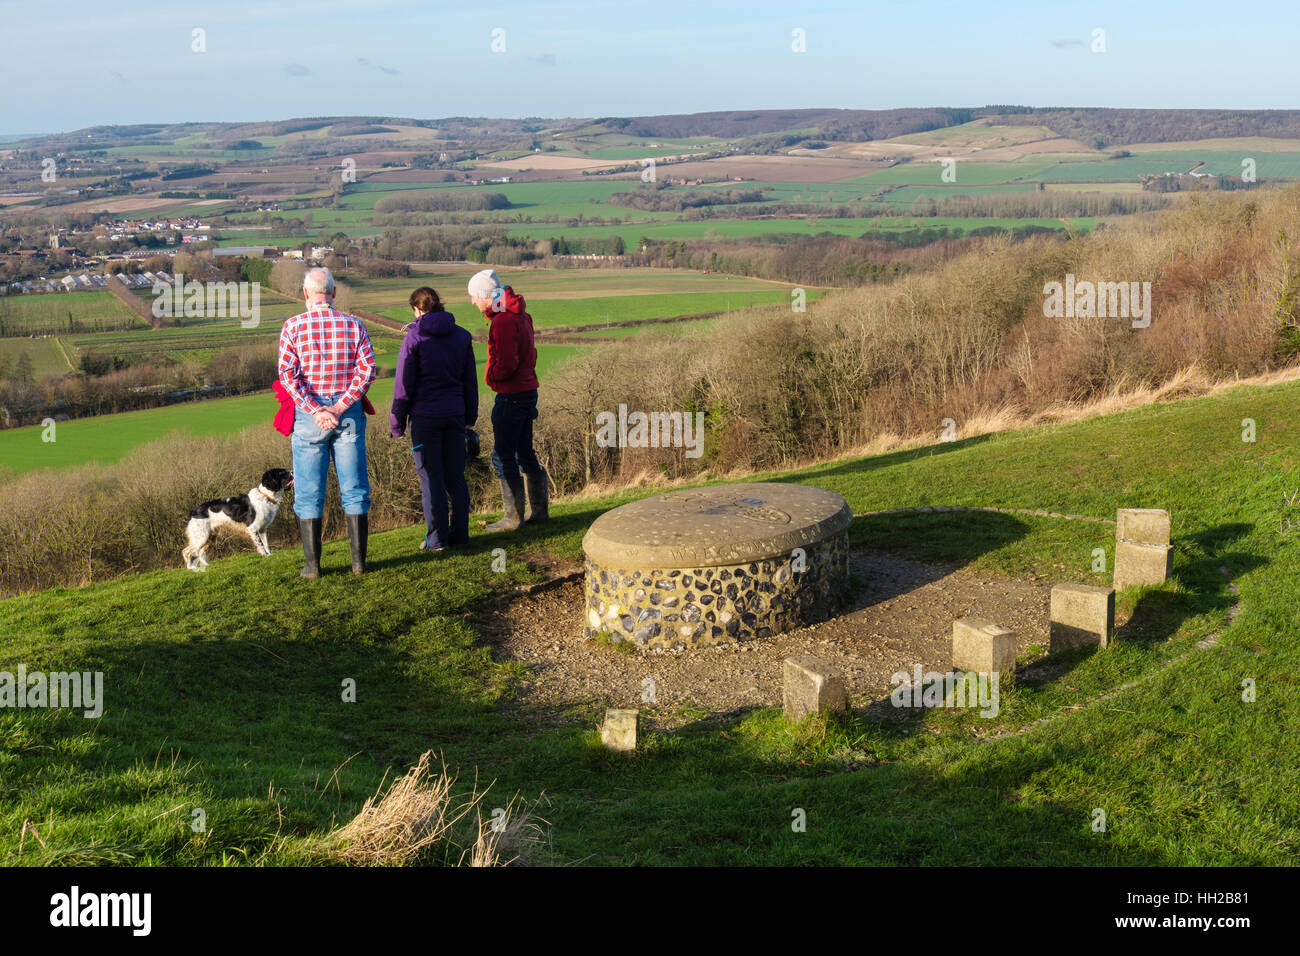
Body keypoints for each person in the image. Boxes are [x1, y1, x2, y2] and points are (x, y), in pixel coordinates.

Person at [277, 266, 377, 578]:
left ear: (305, 293)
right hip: (347, 414)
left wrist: (317, 409)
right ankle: (358, 564)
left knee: (308, 490)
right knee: (355, 487)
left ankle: (312, 566)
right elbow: (368, 370)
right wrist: (339, 406)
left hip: (310, 416)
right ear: (332, 292)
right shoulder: (354, 325)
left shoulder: (292, 326)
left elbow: (287, 376)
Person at [390, 286, 477, 552]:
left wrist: (397, 423)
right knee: (456, 478)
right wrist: (469, 416)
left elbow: (403, 386)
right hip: (455, 415)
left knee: (431, 480)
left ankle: (437, 540)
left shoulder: (414, 339)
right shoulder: (462, 336)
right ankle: (461, 534)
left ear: (416, 310)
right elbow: (470, 381)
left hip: (425, 418)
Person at [467, 268, 547, 531]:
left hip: (511, 394)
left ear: (484, 296)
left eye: (474, 296)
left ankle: (512, 518)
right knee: (525, 452)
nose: (472, 302)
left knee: (502, 456)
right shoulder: (521, 315)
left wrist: (491, 377)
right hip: (527, 391)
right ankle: (538, 511)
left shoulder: (502, 321)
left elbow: (507, 363)